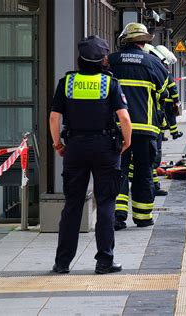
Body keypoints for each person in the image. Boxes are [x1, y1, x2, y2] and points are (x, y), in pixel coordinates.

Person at [49, 35, 132, 274]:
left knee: (72, 204)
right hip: (105, 148)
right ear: (104, 59)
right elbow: (124, 118)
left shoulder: (67, 83)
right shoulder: (110, 83)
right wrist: (126, 140)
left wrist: (58, 144)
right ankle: (104, 261)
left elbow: (55, 117)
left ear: (80, 59)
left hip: (75, 146)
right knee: (105, 202)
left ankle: (62, 262)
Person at [109, 23, 169, 230]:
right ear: (144, 41)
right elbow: (164, 93)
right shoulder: (153, 62)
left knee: (119, 170)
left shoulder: (112, 61)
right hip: (146, 129)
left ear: (124, 40)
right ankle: (143, 217)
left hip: (117, 128)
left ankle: (118, 216)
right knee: (144, 172)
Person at [156, 45, 183, 140]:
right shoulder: (166, 73)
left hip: (159, 100)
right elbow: (173, 88)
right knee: (171, 117)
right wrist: (177, 100)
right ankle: (174, 133)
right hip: (168, 100)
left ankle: (161, 135)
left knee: (162, 117)